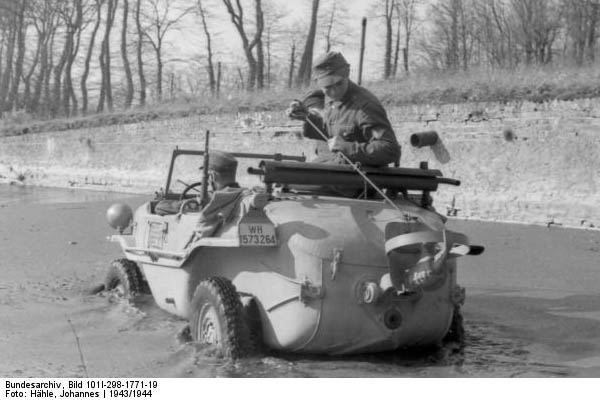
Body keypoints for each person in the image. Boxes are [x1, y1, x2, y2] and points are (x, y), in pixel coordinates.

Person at [287, 51, 401, 167]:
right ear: (319, 84)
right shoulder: (329, 99)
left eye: (339, 83)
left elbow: (390, 150)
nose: (335, 91)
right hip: (329, 165)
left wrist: (347, 148)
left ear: (347, 74)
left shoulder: (365, 106)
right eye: (328, 87)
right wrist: (308, 117)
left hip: (354, 175)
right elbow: (335, 130)